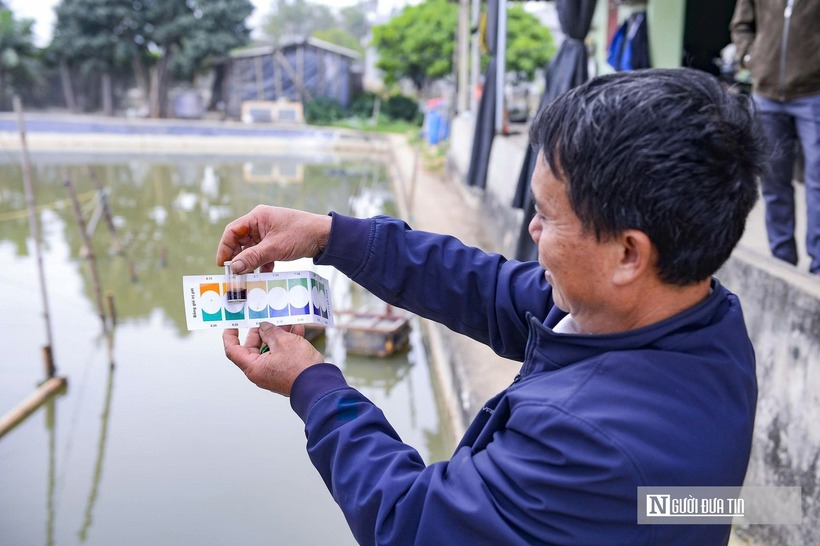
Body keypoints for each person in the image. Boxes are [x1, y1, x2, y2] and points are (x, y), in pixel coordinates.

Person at [217, 68, 765, 545]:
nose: (530, 229)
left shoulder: (588, 444)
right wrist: (330, 235)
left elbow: (411, 524)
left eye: (547, 216)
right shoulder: (697, 318)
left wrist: (313, 386)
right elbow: (489, 288)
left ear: (627, 252)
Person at [731, 0, 820, 274]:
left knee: (817, 181)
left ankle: (818, 265)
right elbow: (741, 24)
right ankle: (782, 259)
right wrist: (749, 56)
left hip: (813, 94)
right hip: (766, 94)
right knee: (772, 180)